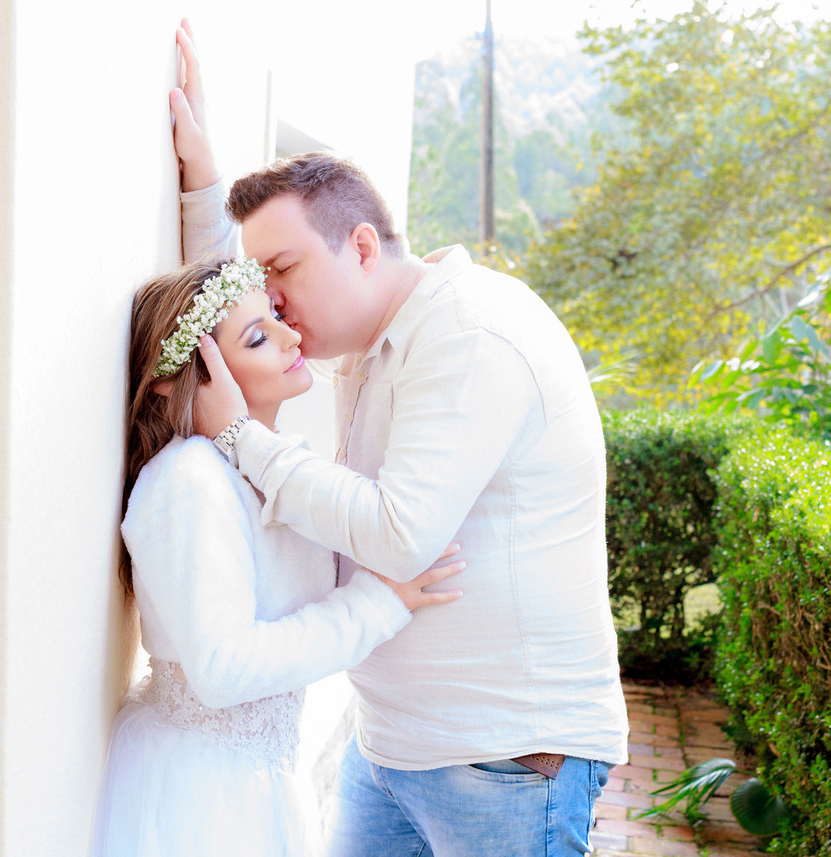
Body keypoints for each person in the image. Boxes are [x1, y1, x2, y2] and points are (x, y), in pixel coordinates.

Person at [169, 22, 628, 856]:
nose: (269, 301)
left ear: (364, 246)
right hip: (388, 748)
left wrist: (240, 438)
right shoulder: (366, 337)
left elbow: (400, 533)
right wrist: (204, 186)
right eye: (260, 278)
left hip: (506, 763)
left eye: (281, 272)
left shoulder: (468, 333)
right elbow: (226, 333)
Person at [91, 258, 464, 857]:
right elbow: (224, 668)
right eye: (259, 337)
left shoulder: (270, 464)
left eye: (278, 318)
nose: (292, 338)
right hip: (206, 797)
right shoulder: (189, 482)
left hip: (258, 779)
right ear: (192, 373)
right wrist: (377, 604)